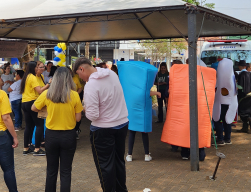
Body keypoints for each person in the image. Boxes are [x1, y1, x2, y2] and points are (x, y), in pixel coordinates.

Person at [74, 57, 129, 192]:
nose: (80, 78)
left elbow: (93, 115)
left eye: (78, 74)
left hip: (103, 129)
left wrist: (84, 107)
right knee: (118, 162)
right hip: (121, 124)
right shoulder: (111, 74)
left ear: (82, 69)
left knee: (105, 166)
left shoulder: (91, 85)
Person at [32, 67, 83, 192]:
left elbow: (33, 108)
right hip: (68, 136)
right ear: (69, 79)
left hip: (51, 136)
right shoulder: (75, 95)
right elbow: (78, 119)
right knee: (66, 171)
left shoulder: (47, 94)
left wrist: (46, 110)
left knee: (51, 170)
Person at [20, 61, 50, 156]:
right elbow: (40, 90)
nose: (39, 68)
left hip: (25, 102)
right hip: (32, 102)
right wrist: (49, 84)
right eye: (37, 67)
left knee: (29, 126)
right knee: (39, 125)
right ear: (33, 68)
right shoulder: (32, 77)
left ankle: (26, 148)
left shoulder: (26, 76)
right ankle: (37, 149)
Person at [126, 90, 161, 162]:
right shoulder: (143, 81)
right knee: (144, 132)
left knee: (132, 132)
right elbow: (146, 92)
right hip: (143, 110)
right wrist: (156, 93)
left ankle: (129, 155)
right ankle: (147, 155)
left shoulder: (131, 84)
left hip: (133, 109)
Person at [212, 58, 238, 145]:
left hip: (220, 102)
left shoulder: (221, 77)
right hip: (230, 102)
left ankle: (220, 139)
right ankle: (227, 138)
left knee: (218, 120)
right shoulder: (232, 76)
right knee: (227, 121)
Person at [237, 60, 251, 133]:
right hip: (249, 95)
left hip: (243, 96)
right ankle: (245, 128)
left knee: (242, 112)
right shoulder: (250, 74)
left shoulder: (240, 75)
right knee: (247, 112)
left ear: (240, 66)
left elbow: (240, 87)